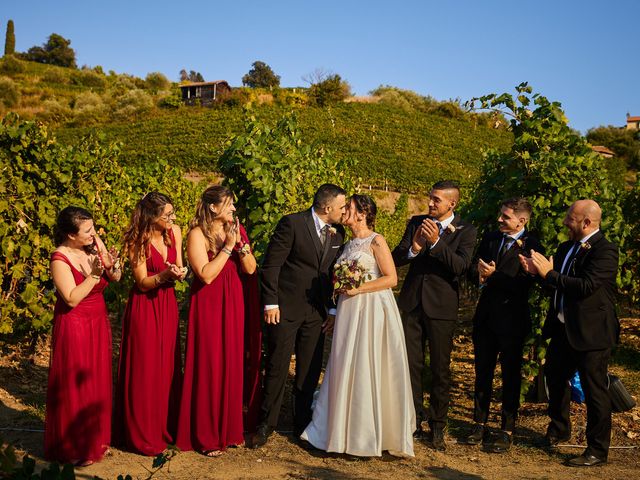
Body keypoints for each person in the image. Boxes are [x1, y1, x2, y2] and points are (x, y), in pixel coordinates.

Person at [301, 195, 415, 457]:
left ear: (363, 213)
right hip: (348, 310)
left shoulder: (376, 240)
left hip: (372, 309)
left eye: (349, 208)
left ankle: (366, 436)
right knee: (345, 363)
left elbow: (391, 278)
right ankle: (337, 431)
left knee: (367, 363)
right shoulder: (347, 243)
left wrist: (358, 288)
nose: (344, 212)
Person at [520, 199, 619, 467]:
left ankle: (597, 450)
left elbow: (585, 286)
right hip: (564, 329)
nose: (565, 222)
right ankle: (559, 428)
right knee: (554, 375)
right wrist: (537, 274)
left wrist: (548, 274)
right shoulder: (565, 248)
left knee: (594, 390)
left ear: (587, 223)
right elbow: (557, 286)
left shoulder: (605, 251)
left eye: (570, 219)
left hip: (592, 333)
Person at [252, 184, 347, 448]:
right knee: (277, 366)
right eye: (341, 206)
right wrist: (270, 303)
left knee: (309, 369)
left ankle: (302, 425)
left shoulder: (339, 233)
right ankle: (265, 425)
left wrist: (332, 308)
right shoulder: (292, 224)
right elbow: (272, 265)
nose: (344, 211)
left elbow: (334, 275)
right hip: (284, 308)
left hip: (316, 313)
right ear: (327, 208)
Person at [392, 180, 477, 451]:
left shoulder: (466, 230)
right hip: (412, 304)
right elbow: (395, 258)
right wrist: (414, 248)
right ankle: (413, 422)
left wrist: (437, 242)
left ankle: (438, 425)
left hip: (441, 308)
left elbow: (461, 267)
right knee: (410, 366)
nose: (430, 203)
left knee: (440, 369)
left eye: (436, 200)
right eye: (430, 198)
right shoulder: (416, 222)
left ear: (451, 204)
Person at [176, 185, 259, 456]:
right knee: (210, 363)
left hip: (234, 299)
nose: (234, 209)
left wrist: (242, 248)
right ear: (213, 207)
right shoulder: (197, 234)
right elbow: (206, 274)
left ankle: (230, 429)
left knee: (231, 362)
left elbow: (250, 269)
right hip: (209, 303)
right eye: (230, 204)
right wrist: (228, 248)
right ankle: (207, 434)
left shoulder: (236, 229)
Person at [45, 206, 121, 466]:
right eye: (87, 230)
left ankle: (94, 438)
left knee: (96, 378)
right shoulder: (59, 258)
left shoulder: (92, 245)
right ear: (70, 234)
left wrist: (113, 265)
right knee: (76, 382)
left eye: (93, 227)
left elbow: (116, 276)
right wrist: (95, 275)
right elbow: (71, 297)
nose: (93, 233)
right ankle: (73, 445)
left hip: (97, 321)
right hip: (75, 323)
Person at [466, 198, 544, 452]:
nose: (500, 219)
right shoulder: (490, 238)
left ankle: (506, 429)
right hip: (486, 317)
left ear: (522, 221)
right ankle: (479, 423)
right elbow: (474, 269)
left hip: (512, 320)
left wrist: (493, 276)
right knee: (482, 373)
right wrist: (478, 274)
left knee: (510, 376)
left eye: (506, 217)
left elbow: (523, 285)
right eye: (501, 215)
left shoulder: (533, 246)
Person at [114, 192, 185, 455]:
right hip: (145, 307)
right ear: (152, 216)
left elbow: (178, 264)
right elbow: (142, 283)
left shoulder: (174, 231)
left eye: (172, 213)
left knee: (166, 366)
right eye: (167, 215)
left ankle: (165, 427)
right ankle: (142, 433)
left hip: (167, 306)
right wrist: (164, 275)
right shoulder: (137, 240)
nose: (172, 218)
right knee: (146, 367)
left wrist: (178, 273)